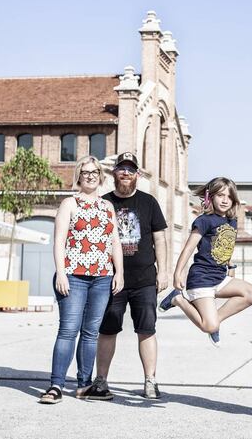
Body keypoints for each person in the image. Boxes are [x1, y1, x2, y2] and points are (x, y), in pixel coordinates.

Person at [39, 156, 124, 404]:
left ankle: (84, 385)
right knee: (68, 330)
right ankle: (56, 385)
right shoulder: (69, 203)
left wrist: (119, 272)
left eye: (94, 171)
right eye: (85, 172)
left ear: (100, 175)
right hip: (73, 277)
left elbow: (114, 242)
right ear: (79, 175)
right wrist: (61, 272)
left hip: (102, 278)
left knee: (90, 333)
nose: (90, 175)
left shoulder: (107, 207)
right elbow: (59, 241)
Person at [89, 152, 168, 400]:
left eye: (130, 169)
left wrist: (163, 271)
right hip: (111, 280)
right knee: (108, 329)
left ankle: (150, 381)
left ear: (137, 175)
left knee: (147, 329)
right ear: (113, 173)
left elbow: (160, 238)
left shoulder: (149, 202)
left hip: (144, 279)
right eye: (121, 168)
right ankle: (100, 381)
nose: (125, 173)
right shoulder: (103, 202)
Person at [159, 177, 252, 347]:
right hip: (201, 278)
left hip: (220, 277)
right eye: (220, 195)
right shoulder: (204, 221)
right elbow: (188, 248)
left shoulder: (231, 221)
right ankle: (178, 299)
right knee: (208, 326)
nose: (225, 200)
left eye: (229, 197)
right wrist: (177, 274)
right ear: (210, 196)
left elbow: (225, 245)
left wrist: (230, 264)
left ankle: (215, 320)